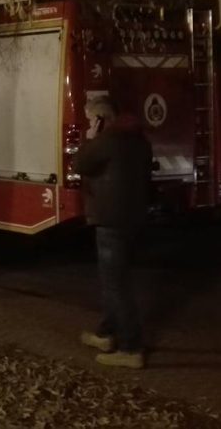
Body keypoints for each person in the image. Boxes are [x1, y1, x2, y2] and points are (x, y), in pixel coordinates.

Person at [74, 95, 152, 369]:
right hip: (132, 218)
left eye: (90, 120)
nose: (89, 125)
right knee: (114, 282)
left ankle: (131, 348)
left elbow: (79, 164)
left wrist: (89, 138)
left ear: (100, 119)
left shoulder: (107, 140)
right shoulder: (139, 140)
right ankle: (106, 334)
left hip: (110, 220)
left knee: (117, 286)